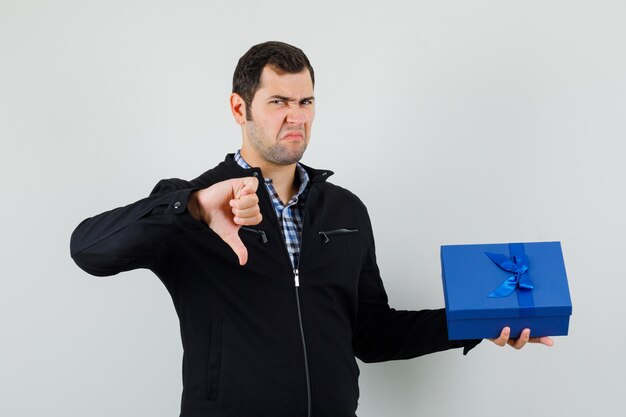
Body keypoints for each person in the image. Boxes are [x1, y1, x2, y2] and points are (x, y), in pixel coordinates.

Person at [70, 41, 552, 417]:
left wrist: (476, 321)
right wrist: (191, 206)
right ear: (240, 108)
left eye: (306, 101)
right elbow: (89, 249)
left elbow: (373, 335)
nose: (295, 116)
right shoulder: (191, 204)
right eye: (278, 100)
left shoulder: (345, 211)